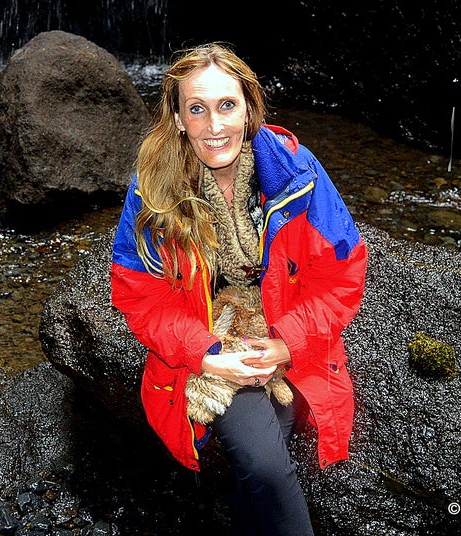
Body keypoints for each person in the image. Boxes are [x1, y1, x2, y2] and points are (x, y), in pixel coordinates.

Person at [110, 43, 368, 535]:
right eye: (197, 109)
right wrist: (207, 356)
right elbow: (139, 295)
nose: (214, 126)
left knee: (265, 455)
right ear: (179, 118)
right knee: (266, 466)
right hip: (210, 337)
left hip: (281, 326)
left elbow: (343, 270)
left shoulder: (296, 171)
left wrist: (286, 343)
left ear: (249, 108)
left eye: (226, 106)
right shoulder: (153, 188)